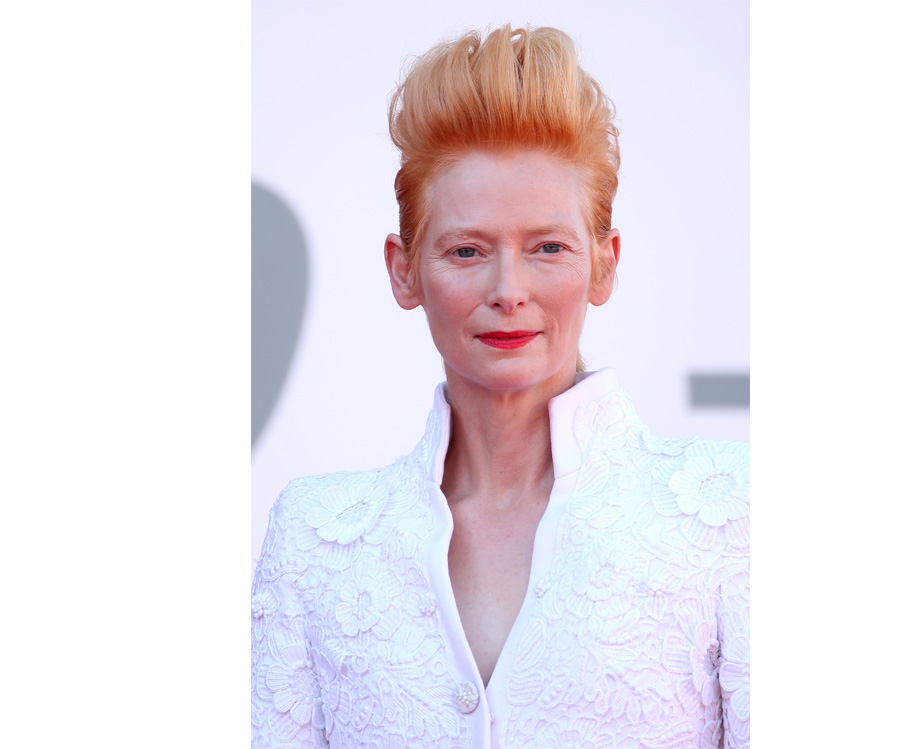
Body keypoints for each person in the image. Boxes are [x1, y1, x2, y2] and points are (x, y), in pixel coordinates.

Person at [251, 25, 749, 748]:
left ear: (605, 263)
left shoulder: (732, 516)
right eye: (466, 250)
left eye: (548, 247)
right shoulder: (313, 541)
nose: (508, 289)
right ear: (403, 271)